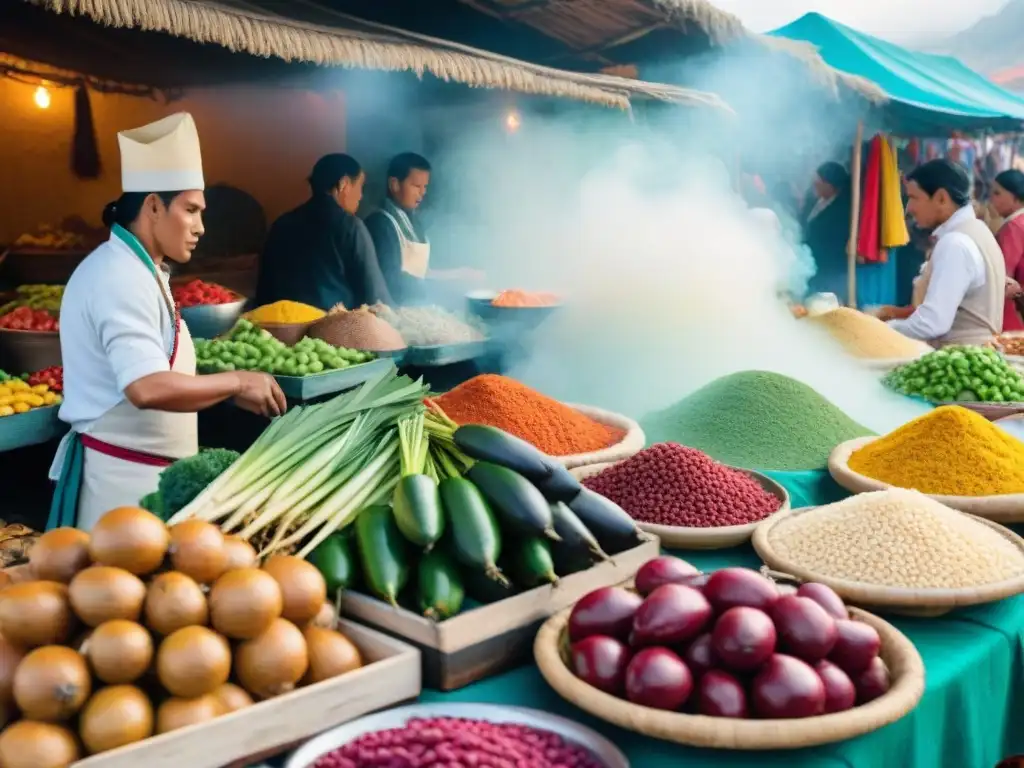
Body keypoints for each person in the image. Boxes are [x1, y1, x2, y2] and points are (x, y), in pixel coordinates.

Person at [49, 113, 286, 531]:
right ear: (154, 205)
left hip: (148, 486)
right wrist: (237, 381)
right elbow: (146, 386)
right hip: (120, 493)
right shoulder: (117, 276)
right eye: (191, 210)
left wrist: (224, 395)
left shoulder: (143, 270)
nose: (200, 227)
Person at [885, 159, 1006, 345]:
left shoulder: (955, 243)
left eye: (914, 197)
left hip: (960, 364)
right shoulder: (978, 230)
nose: (909, 208)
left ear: (941, 198)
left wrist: (881, 330)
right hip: (977, 356)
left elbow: (933, 323)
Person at [256, 154, 391, 311]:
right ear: (343, 184)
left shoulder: (281, 223)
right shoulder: (351, 226)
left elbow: (263, 289)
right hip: (332, 328)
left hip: (281, 326)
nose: (360, 196)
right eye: (360, 186)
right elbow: (375, 295)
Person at [365, 152, 481, 306]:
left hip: (418, 306)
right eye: (416, 186)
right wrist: (441, 287)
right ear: (394, 184)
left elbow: (424, 273)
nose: (422, 192)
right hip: (393, 311)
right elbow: (391, 280)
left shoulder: (415, 224)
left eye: (425, 186)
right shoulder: (380, 223)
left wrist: (459, 274)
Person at [799, 162, 852, 303]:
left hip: (830, 268)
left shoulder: (842, 209)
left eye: (818, 181)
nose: (815, 184)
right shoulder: (814, 201)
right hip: (812, 264)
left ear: (830, 184)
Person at [989, 169, 1024, 330]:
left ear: (1015, 196)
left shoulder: (1013, 227)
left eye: (997, 193)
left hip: (1014, 317)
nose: (992, 199)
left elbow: (1003, 280)